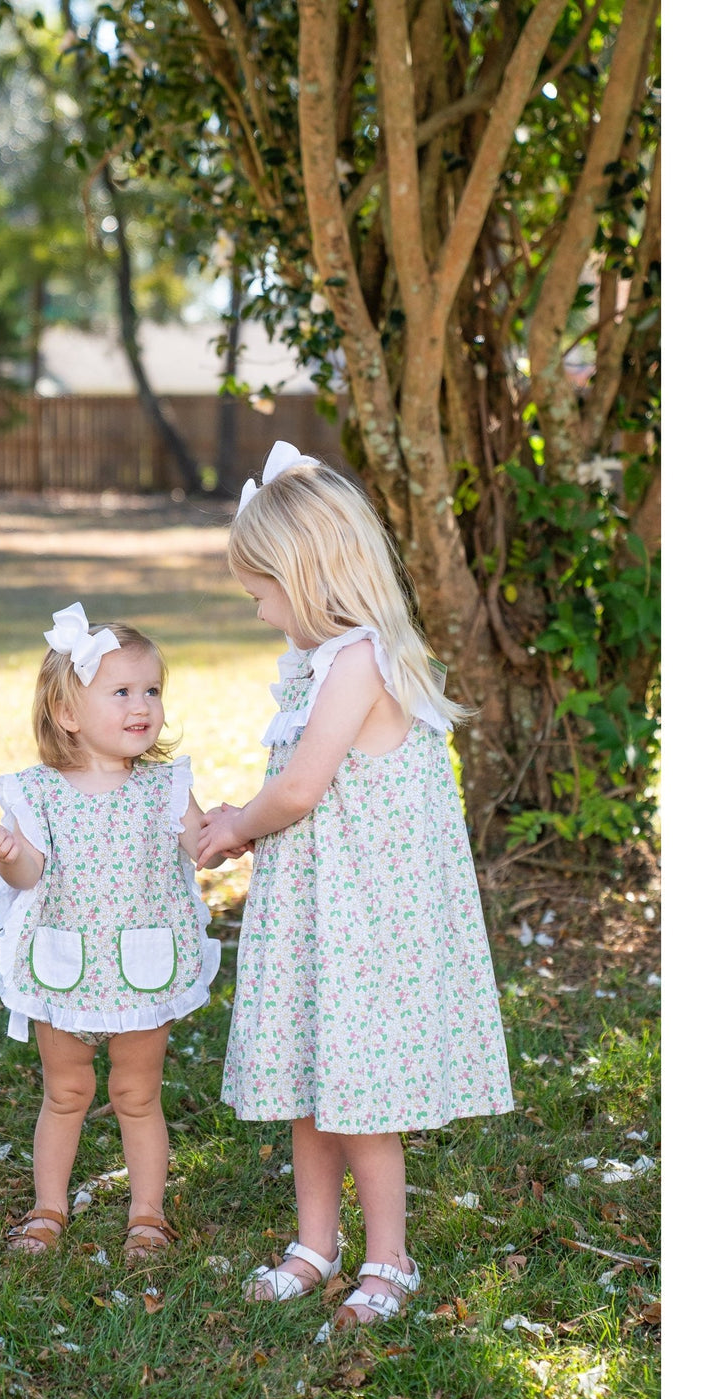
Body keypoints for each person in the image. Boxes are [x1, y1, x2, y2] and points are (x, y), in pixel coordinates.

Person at [196, 443, 514, 1328]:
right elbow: (297, 790)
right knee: (311, 1083)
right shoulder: (317, 664)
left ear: (308, 576)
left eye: (262, 593)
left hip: (367, 922)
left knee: (361, 1096)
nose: (260, 611)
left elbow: (299, 790)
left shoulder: (361, 661)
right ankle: (314, 1243)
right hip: (319, 918)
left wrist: (237, 825)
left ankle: (388, 1256)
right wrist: (236, 814)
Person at [0, 602, 224, 1263]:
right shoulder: (37, 793)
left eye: (151, 690)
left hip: (143, 969)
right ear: (68, 713)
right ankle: (47, 1208)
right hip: (64, 965)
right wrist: (9, 853)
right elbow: (30, 874)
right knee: (65, 1092)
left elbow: (203, 845)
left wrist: (234, 828)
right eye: (121, 692)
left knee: (135, 1093)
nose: (142, 705)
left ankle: (147, 1215)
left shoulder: (165, 787)